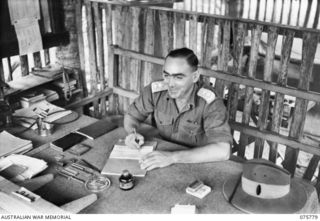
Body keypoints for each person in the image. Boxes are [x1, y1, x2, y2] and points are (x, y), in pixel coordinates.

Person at [124, 47, 233, 171]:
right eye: (167, 75)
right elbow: (132, 116)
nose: (170, 84)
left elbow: (223, 151)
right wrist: (132, 133)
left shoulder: (210, 102)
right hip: (161, 157)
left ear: (195, 76)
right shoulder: (155, 92)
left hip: (196, 163)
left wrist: (172, 157)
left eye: (178, 77)